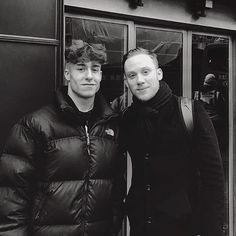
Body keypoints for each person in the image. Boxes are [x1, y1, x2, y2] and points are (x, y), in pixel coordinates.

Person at [0, 40, 125, 236]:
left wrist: (114, 225)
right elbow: (12, 198)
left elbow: (116, 190)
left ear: (101, 75)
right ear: (68, 74)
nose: (89, 76)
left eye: (95, 69)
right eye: (81, 68)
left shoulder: (111, 127)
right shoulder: (35, 125)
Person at [119, 48, 225, 236]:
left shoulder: (190, 112)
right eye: (132, 75)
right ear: (126, 81)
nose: (140, 80)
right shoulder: (128, 119)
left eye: (145, 72)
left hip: (184, 227)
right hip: (141, 226)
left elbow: (214, 181)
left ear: (159, 73)